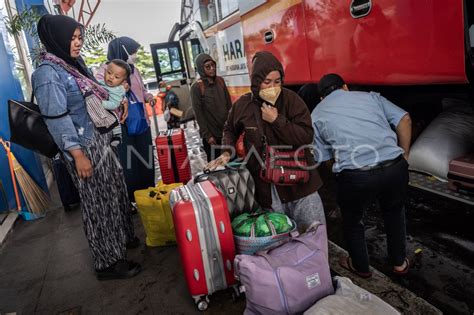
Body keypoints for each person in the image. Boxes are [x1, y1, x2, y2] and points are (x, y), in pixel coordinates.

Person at [32, 14, 140, 280]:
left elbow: (100, 90)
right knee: (97, 203)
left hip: (99, 138)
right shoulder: (47, 74)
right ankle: (108, 262)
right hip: (82, 146)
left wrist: (119, 102)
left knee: (114, 191)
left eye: (79, 37)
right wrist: (78, 155)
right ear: (56, 38)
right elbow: (56, 118)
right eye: (72, 38)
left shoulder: (72, 64)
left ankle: (121, 239)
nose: (78, 42)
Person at [207, 51, 326, 230]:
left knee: (313, 234)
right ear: (256, 82)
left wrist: (277, 120)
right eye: (267, 82)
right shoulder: (243, 105)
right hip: (267, 188)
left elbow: (306, 136)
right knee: (280, 240)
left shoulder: (292, 101)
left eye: (277, 82)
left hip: (301, 186)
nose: (273, 87)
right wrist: (226, 151)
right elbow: (230, 129)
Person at [311, 73, 412, 278]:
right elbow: (405, 118)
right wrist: (405, 154)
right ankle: (399, 264)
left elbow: (323, 157)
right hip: (394, 166)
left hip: (356, 175)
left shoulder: (317, 113)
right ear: (345, 87)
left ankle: (360, 267)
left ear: (321, 98)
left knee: (352, 219)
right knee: (394, 212)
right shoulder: (371, 97)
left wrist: (341, 169)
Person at [96, 37, 155, 205]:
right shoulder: (105, 70)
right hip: (121, 126)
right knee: (129, 163)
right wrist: (120, 89)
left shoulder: (134, 70)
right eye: (133, 52)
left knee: (146, 159)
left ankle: (149, 194)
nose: (135, 55)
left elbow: (142, 92)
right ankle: (134, 199)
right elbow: (99, 93)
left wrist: (149, 97)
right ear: (123, 51)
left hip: (142, 123)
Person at [190, 53, 232, 162]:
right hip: (212, 137)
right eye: (207, 67)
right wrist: (207, 136)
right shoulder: (196, 87)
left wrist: (232, 128)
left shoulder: (221, 81)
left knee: (231, 165)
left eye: (213, 65)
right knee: (216, 168)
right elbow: (198, 114)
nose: (212, 69)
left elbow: (229, 105)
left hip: (226, 134)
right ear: (201, 69)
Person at [98, 59, 132, 146]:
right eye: (109, 73)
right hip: (102, 113)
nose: (111, 77)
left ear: (123, 81)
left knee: (115, 121)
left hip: (111, 110)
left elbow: (114, 104)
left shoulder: (118, 90)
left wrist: (101, 103)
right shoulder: (100, 82)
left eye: (117, 77)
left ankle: (117, 136)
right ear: (105, 71)